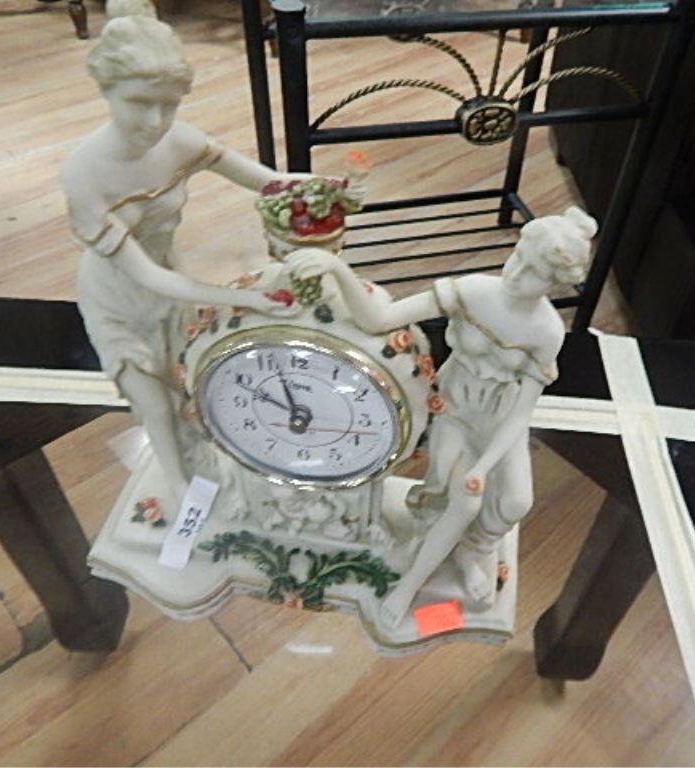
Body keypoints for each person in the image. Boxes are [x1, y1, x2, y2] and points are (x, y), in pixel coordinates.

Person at [288, 206, 598, 627]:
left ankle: (473, 553)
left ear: (556, 282)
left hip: (499, 422)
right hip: (455, 412)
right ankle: (409, 587)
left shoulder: (547, 332)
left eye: (535, 274)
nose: (517, 273)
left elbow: (521, 414)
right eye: (518, 257)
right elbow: (379, 319)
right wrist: (337, 269)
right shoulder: (474, 291)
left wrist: (485, 466)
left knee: (516, 502)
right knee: (465, 502)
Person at [61, 0, 300, 507]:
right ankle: (179, 493)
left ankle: (210, 463)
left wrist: (317, 187)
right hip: (119, 296)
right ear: (106, 89)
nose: (156, 121)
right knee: (153, 405)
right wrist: (246, 297)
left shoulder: (178, 139)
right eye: (139, 102)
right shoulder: (83, 172)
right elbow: (146, 277)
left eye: (169, 104)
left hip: (173, 276)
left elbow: (267, 182)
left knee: (189, 383)